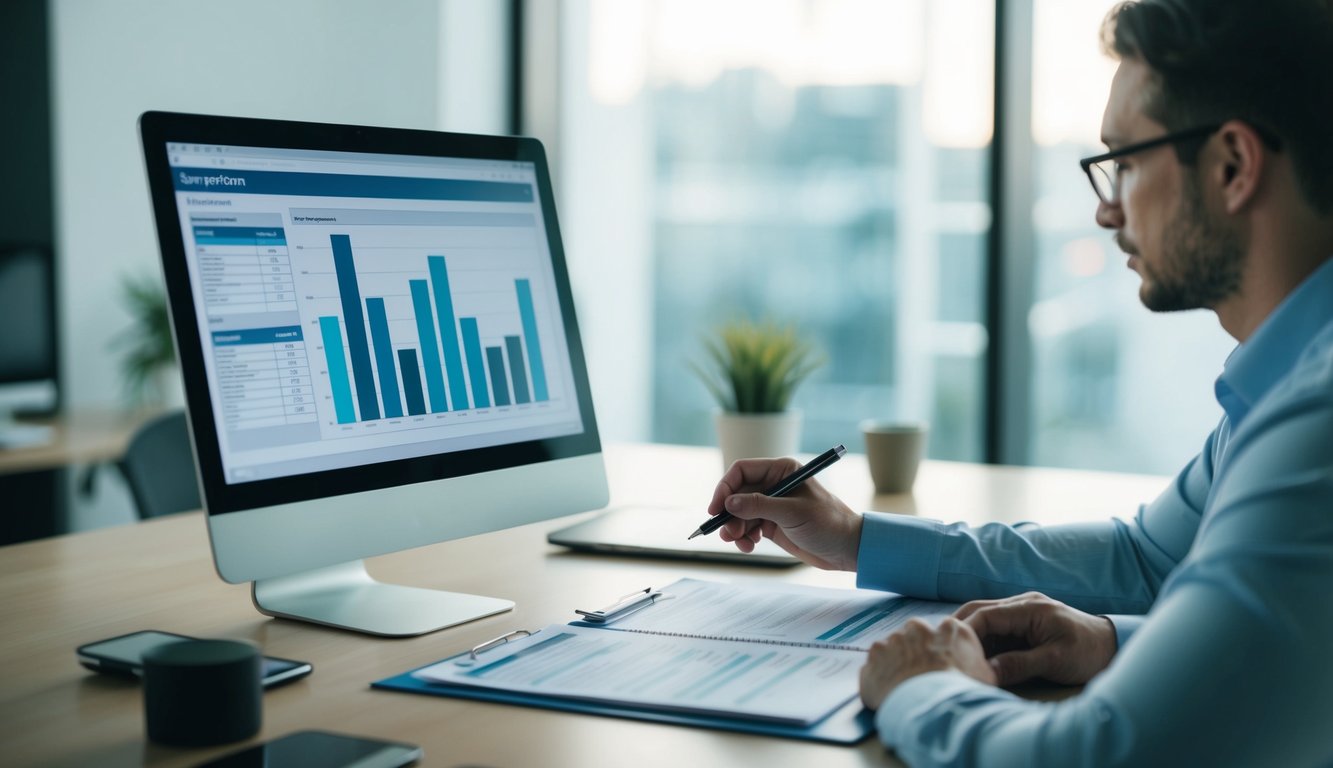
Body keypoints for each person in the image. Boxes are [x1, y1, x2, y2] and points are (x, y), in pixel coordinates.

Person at [707, 0, 1333, 764]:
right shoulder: (1283, 378)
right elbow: (1149, 560)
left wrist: (923, 687)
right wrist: (855, 538)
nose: (1106, 210)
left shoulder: (1316, 418)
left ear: (1232, 167)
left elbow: (1092, 756)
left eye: (1126, 162)